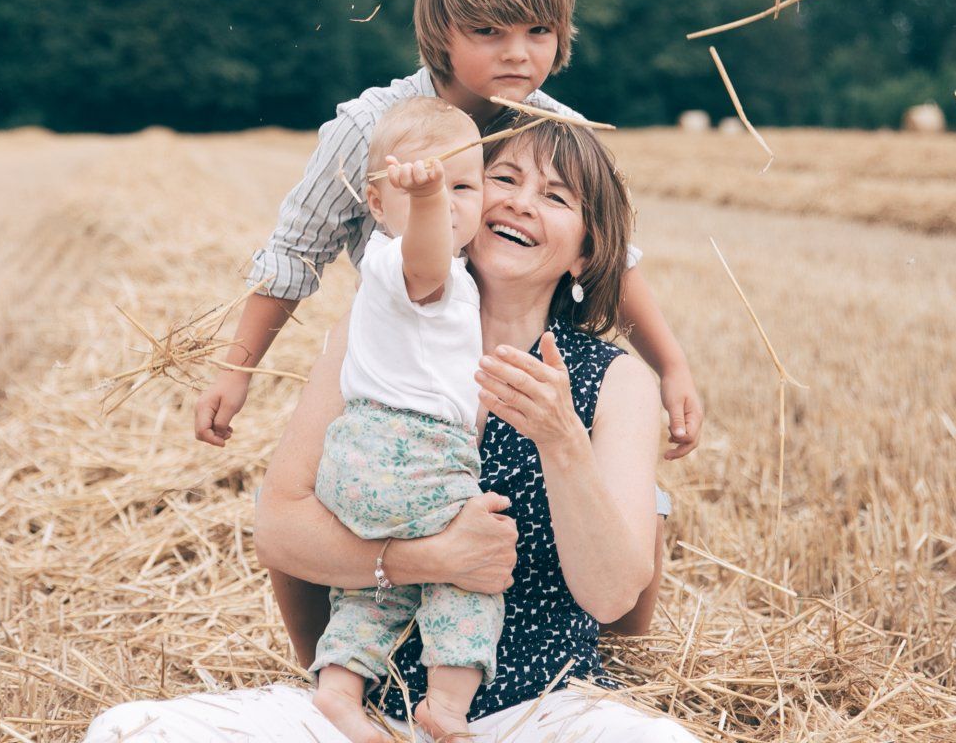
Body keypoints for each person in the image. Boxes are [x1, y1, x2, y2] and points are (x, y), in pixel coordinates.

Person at [86, 123, 699, 742]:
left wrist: (562, 441)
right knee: (128, 732)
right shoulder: (373, 331)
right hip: (368, 712)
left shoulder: (615, 380)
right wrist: (428, 558)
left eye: (555, 197)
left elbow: (613, 596)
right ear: (464, 196)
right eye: (504, 179)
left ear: (586, 254)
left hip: (541, 709)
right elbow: (279, 529)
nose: (520, 203)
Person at [194, 0, 705, 463]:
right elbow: (296, 253)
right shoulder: (369, 129)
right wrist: (236, 370)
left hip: (518, 384)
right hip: (403, 385)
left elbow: (609, 255)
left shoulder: (559, 134)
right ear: (441, 32)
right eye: (489, 31)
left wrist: (671, 366)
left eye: (538, 30)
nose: (517, 53)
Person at [309, 97, 495, 741]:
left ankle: (338, 689)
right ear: (377, 204)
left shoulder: (433, 278)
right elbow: (427, 256)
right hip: (411, 453)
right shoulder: (397, 261)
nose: (446, 200)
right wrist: (429, 201)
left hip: (359, 456)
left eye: (464, 186)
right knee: (467, 570)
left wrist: (422, 194)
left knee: (374, 593)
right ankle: (446, 705)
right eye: (420, 186)